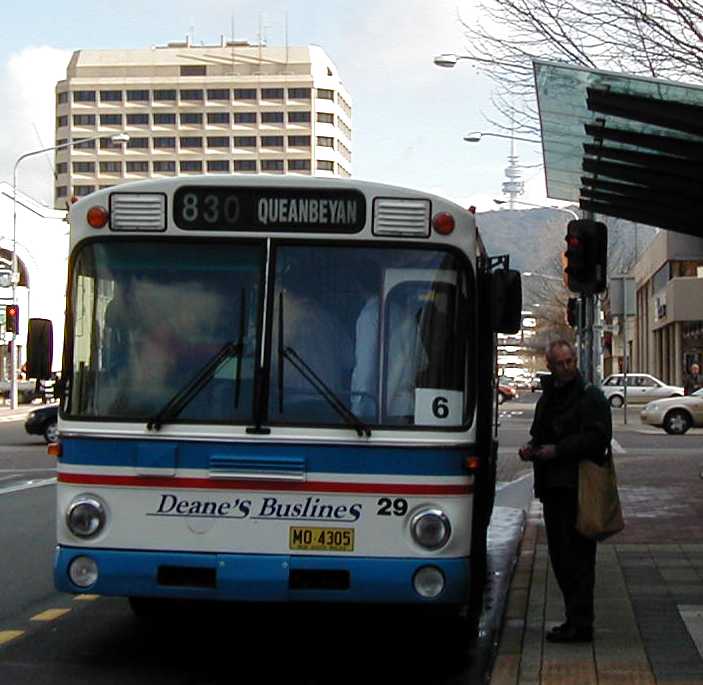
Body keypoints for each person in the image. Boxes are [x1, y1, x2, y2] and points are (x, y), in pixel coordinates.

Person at [519, 339, 612, 643]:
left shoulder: (590, 396)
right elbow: (539, 432)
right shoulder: (548, 397)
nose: (566, 367)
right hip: (553, 488)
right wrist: (532, 449)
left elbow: (597, 439)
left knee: (580, 558)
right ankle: (574, 618)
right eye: (559, 363)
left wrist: (557, 450)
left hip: (579, 487)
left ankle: (581, 622)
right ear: (549, 365)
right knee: (560, 556)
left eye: (569, 361)